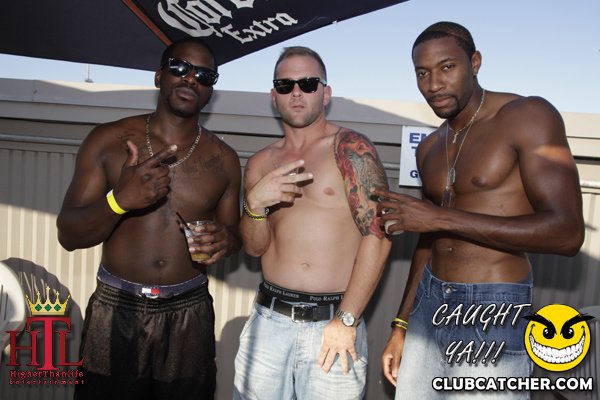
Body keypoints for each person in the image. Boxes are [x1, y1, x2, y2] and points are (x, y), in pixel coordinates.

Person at [373, 21, 585, 399]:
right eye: (422, 73)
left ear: (475, 62)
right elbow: (428, 239)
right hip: (428, 302)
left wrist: (439, 217)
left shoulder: (527, 115)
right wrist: (401, 324)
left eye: (447, 67)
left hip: (492, 308)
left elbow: (568, 234)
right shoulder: (430, 146)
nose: (433, 84)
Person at [56, 37, 242, 400]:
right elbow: (69, 235)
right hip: (116, 306)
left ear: (210, 92)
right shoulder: (107, 140)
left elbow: (233, 234)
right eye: (179, 67)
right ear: (159, 76)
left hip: (189, 310)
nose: (190, 79)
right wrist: (119, 201)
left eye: (204, 76)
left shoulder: (225, 159)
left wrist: (228, 240)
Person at [233, 46, 392, 400]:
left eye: (307, 83)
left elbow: (379, 234)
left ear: (326, 92)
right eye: (285, 85)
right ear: (274, 97)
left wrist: (347, 319)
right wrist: (254, 204)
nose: (296, 92)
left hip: (333, 325)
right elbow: (255, 247)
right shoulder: (260, 162)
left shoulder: (349, 147)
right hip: (268, 322)